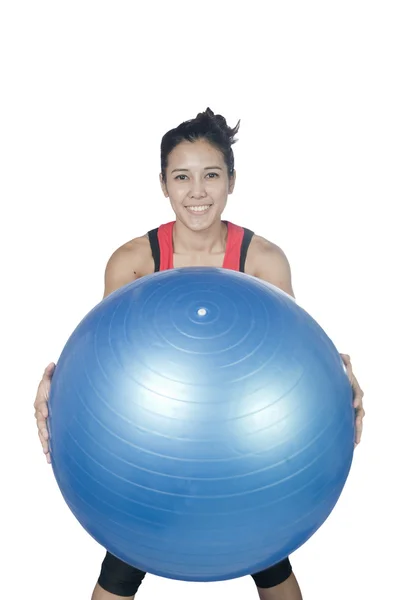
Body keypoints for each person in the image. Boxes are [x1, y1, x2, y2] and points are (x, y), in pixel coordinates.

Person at [34, 108, 365, 600]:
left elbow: (291, 367)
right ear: (162, 184)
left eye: (211, 175)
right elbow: (105, 368)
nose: (197, 191)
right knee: (122, 565)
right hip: (152, 453)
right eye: (181, 177)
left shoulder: (264, 261)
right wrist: (55, 386)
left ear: (232, 180)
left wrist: (339, 385)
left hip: (246, 451)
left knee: (270, 558)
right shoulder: (131, 263)